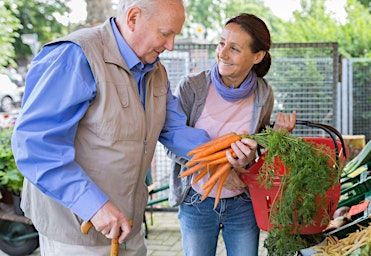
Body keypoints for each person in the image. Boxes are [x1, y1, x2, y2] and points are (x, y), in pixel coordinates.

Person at [10, 1, 256, 255]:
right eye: (165, 33)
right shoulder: (75, 56)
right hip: (77, 233)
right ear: (133, 18)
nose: (170, 45)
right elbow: (35, 146)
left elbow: (173, 130)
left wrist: (225, 151)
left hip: (129, 228)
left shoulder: (156, 71)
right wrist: (94, 206)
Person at [167, 13, 297, 256]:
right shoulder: (191, 87)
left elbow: (256, 152)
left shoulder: (263, 93)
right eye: (221, 43)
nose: (222, 53)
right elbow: (170, 143)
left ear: (257, 56)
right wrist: (215, 171)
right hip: (198, 200)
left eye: (234, 48)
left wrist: (276, 136)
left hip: (242, 202)